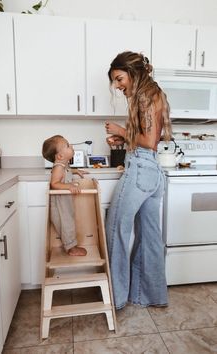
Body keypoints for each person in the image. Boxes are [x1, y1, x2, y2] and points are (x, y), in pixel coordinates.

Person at [105, 51, 172, 309]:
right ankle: (148, 296)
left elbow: (147, 140)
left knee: (115, 231)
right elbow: (150, 140)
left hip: (141, 169)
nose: (117, 85)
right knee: (150, 236)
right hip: (153, 171)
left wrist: (120, 131)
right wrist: (125, 139)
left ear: (133, 73)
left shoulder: (143, 97)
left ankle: (116, 299)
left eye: (119, 78)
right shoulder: (156, 94)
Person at [42, 135, 87, 256]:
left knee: (69, 221)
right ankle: (71, 248)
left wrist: (75, 171)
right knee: (66, 223)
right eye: (68, 145)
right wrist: (69, 186)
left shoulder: (63, 166)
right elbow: (54, 183)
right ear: (60, 156)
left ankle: (72, 245)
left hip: (64, 201)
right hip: (59, 204)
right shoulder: (58, 168)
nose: (71, 146)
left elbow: (66, 171)